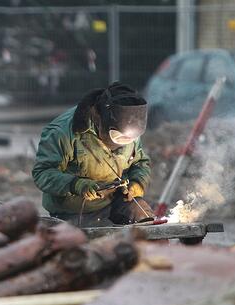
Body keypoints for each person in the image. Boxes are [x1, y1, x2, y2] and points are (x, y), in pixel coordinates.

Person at [32, 82, 154, 227]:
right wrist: (77, 185)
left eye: (129, 139)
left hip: (116, 201)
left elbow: (140, 163)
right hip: (73, 211)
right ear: (98, 117)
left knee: (147, 224)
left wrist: (137, 183)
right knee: (102, 242)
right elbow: (42, 173)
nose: (124, 142)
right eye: (118, 136)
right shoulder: (62, 133)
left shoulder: (129, 127)